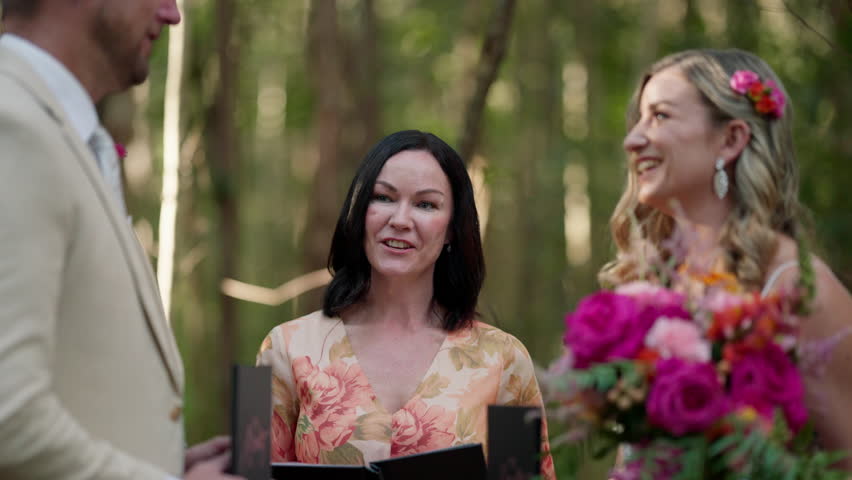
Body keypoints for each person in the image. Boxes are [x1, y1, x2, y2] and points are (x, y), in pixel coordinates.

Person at [0, 1, 242, 479]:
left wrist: (161, 460)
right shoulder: (13, 125)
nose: (172, 13)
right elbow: (8, 414)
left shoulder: (66, 134)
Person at [600, 48, 852, 467]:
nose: (633, 139)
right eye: (639, 119)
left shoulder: (798, 289)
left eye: (659, 116)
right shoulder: (648, 285)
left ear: (731, 139)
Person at [256, 130, 556, 478]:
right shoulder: (282, 347)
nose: (400, 220)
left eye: (426, 204)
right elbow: (248, 475)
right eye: (383, 197)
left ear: (452, 230)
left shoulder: (505, 359)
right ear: (359, 211)